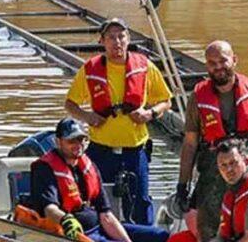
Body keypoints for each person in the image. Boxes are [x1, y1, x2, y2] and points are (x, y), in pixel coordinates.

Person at [64, 18, 172, 225]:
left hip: (135, 150)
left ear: (128, 39)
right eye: (111, 37)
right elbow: (70, 104)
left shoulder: (145, 67)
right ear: (102, 41)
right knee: (97, 202)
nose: (117, 42)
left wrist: (150, 114)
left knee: (140, 203)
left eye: (121, 36)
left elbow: (166, 101)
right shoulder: (90, 69)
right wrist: (87, 116)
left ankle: (143, 236)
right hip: (100, 151)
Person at [174, 41, 248, 242]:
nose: (218, 67)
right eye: (212, 63)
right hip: (212, 174)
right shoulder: (197, 96)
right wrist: (182, 184)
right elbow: (190, 143)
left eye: (223, 61)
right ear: (207, 66)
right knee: (209, 230)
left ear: (234, 60)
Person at [27, 118, 170, 242]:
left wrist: (126, 241)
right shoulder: (44, 169)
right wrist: (67, 221)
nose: (78, 145)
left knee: (161, 236)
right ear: (58, 142)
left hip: (100, 227)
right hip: (73, 233)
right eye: (71, 141)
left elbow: (105, 214)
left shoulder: (89, 166)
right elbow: (49, 209)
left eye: (81, 139)